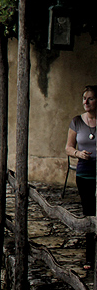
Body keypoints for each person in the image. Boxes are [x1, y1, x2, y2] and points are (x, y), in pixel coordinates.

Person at [66, 85, 97, 270]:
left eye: (90, 98)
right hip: (85, 172)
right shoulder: (77, 121)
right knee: (89, 213)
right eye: (84, 98)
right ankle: (89, 256)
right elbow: (68, 147)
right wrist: (78, 154)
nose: (86, 102)